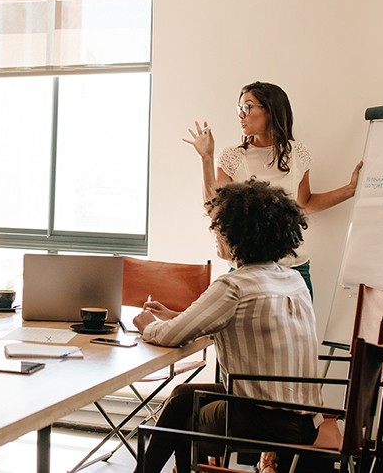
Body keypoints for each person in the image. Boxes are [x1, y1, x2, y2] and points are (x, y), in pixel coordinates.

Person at [134, 180, 322, 473]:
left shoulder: (235, 284)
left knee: (181, 418)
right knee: (183, 397)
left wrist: (148, 326)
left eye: (218, 227)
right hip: (304, 416)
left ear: (237, 234)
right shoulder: (292, 280)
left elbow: (171, 337)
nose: (215, 234)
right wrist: (174, 315)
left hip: (262, 418)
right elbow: (240, 322)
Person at [183, 81, 362, 297]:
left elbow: (304, 204)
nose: (241, 115)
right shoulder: (233, 157)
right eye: (239, 108)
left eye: (247, 107)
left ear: (270, 109)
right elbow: (215, 210)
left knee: (302, 331)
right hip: (248, 270)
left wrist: (350, 189)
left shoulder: (298, 154)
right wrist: (206, 158)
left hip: (294, 269)